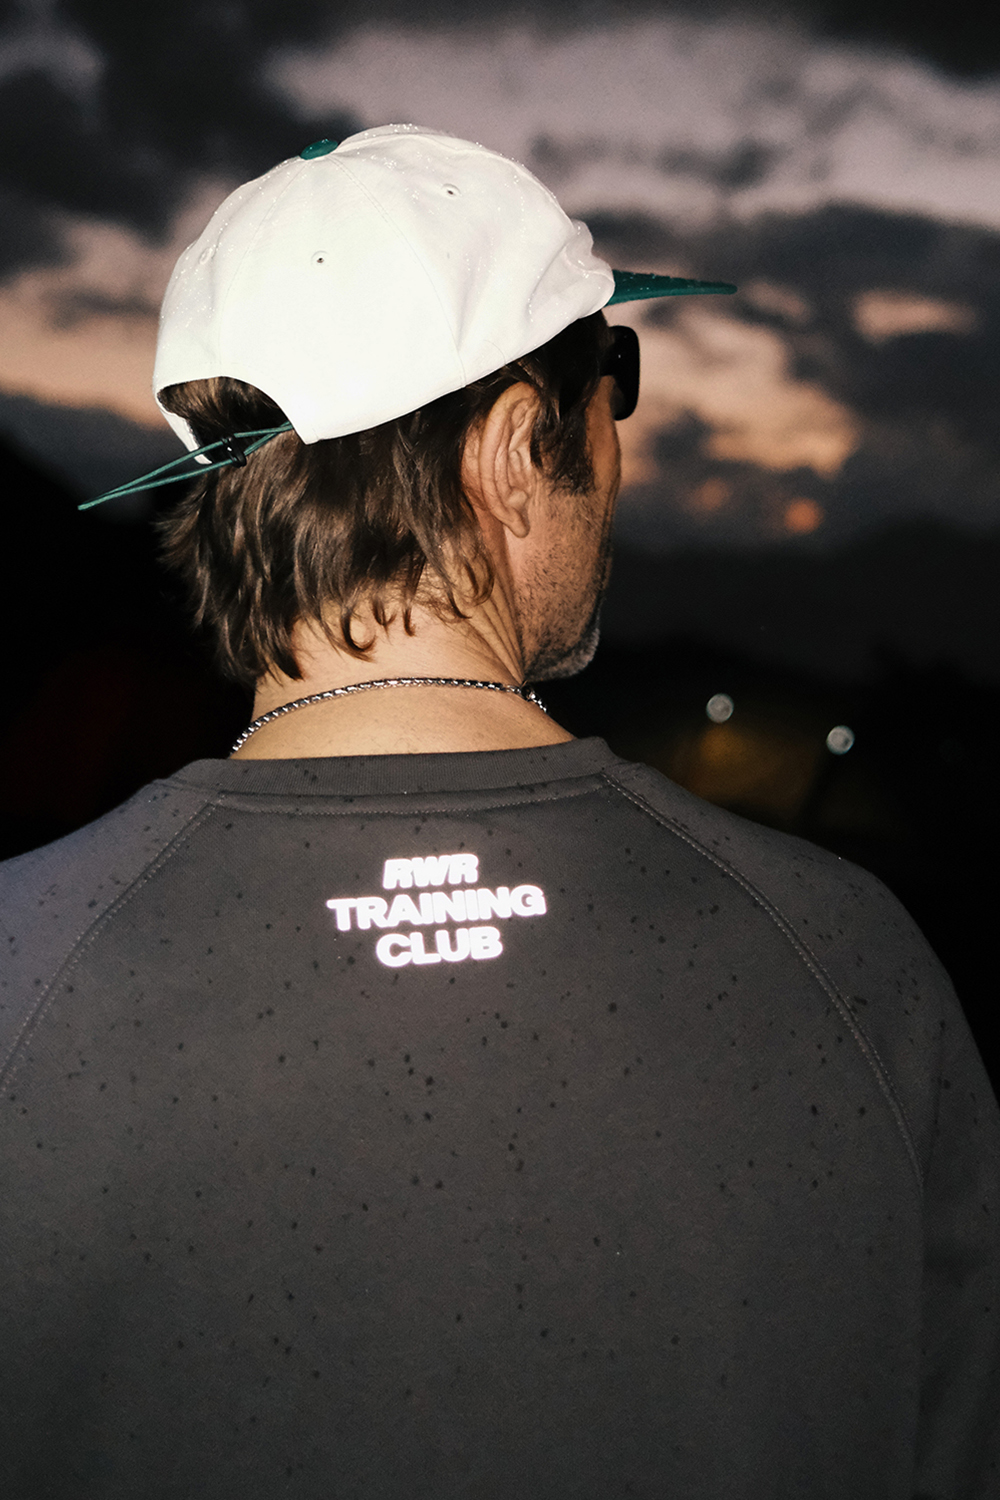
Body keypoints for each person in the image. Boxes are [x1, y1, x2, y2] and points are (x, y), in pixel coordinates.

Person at [1, 125, 997, 1500]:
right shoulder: (850, 968)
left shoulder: (23, 970)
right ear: (520, 446)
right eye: (612, 380)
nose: (621, 446)